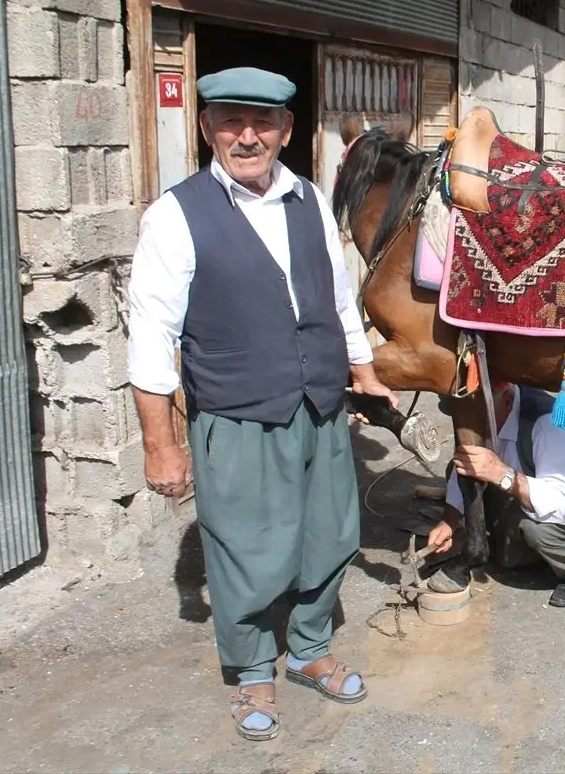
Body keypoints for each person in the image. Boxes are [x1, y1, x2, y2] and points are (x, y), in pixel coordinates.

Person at [127, 66, 397, 742]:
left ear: (286, 129)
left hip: (320, 406)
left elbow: (335, 298)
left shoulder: (307, 197)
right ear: (206, 128)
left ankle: (307, 648)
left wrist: (362, 370)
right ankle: (251, 668)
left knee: (329, 533)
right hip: (238, 411)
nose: (247, 136)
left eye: (263, 123)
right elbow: (152, 338)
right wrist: (162, 445)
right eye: (231, 121)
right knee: (246, 546)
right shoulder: (176, 215)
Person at [424, 383, 565, 608]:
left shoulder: (546, 424)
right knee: (464, 467)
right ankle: (510, 545)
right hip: (524, 491)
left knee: (537, 527)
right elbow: (459, 472)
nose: (469, 424)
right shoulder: (483, 417)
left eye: (476, 415)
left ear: (508, 401)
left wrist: (501, 474)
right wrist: (450, 519)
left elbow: (562, 506)